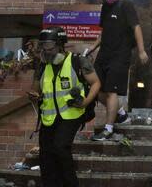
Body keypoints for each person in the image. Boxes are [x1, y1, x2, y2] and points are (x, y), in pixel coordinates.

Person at [30, 27, 100, 187]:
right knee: (46, 154)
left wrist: (86, 102)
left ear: (60, 45)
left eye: (49, 46)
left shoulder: (77, 61)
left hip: (72, 114)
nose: (46, 51)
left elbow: (96, 82)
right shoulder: (42, 66)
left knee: (61, 147)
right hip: (48, 117)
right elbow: (35, 89)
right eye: (43, 46)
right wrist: (34, 95)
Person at [91, 0, 148, 141]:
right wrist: (93, 47)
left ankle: (108, 128)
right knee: (95, 89)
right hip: (104, 54)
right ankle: (121, 114)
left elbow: (136, 27)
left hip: (120, 55)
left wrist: (141, 50)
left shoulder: (126, 5)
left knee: (111, 91)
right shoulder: (106, 7)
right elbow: (104, 31)